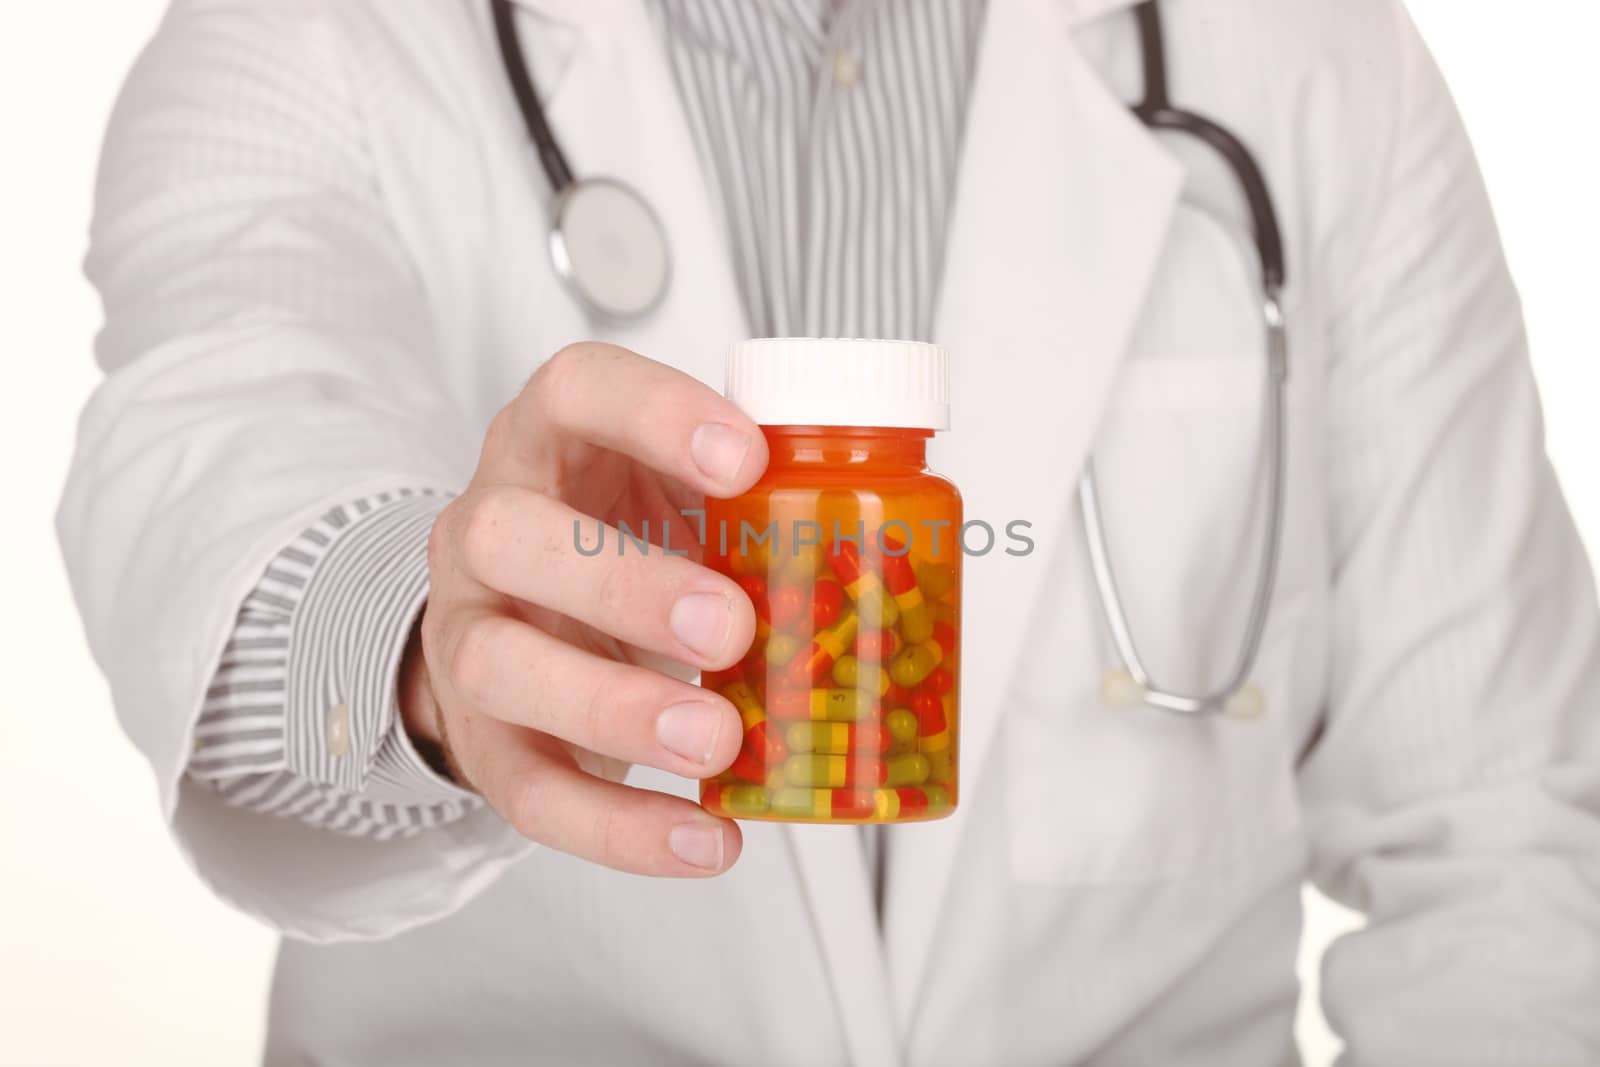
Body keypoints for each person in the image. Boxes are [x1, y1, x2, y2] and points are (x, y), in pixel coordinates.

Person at [59, 0, 1600, 1063]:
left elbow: (1507, 830)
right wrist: (418, 660)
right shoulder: (308, 36)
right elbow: (214, 434)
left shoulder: (1310, 57)